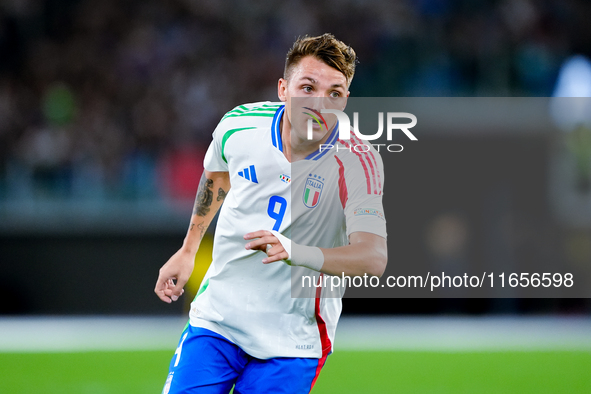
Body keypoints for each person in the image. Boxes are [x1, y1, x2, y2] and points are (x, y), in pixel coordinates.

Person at [155, 33, 387, 394]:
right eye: (307, 87)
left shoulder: (357, 160)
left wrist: (296, 252)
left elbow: (373, 257)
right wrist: (188, 250)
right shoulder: (240, 126)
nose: (319, 104)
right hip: (219, 320)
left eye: (334, 93)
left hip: (293, 340)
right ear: (283, 89)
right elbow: (217, 176)